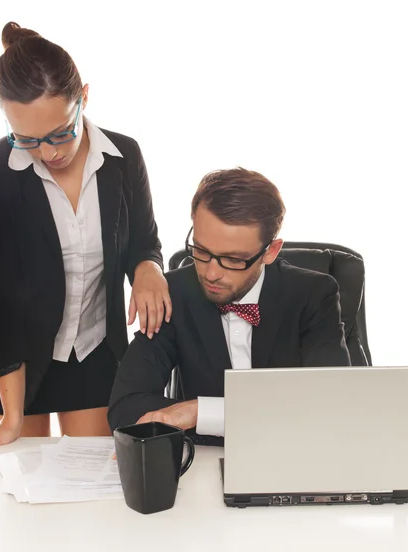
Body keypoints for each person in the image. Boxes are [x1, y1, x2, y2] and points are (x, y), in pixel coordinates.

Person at [0, 22, 171, 463]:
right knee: (27, 482)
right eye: (27, 139)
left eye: (61, 133)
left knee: (91, 481)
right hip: (14, 356)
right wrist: (11, 415)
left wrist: (148, 269)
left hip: (93, 349)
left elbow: (143, 240)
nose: (48, 153)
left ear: (83, 96)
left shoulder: (124, 157)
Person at [108, 168, 351, 444]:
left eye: (233, 260)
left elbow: (331, 405)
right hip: (204, 465)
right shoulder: (172, 293)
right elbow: (124, 409)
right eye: (201, 251)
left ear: (270, 252)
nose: (211, 273)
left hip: (291, 458)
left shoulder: (313, 295)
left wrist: (202, 413)